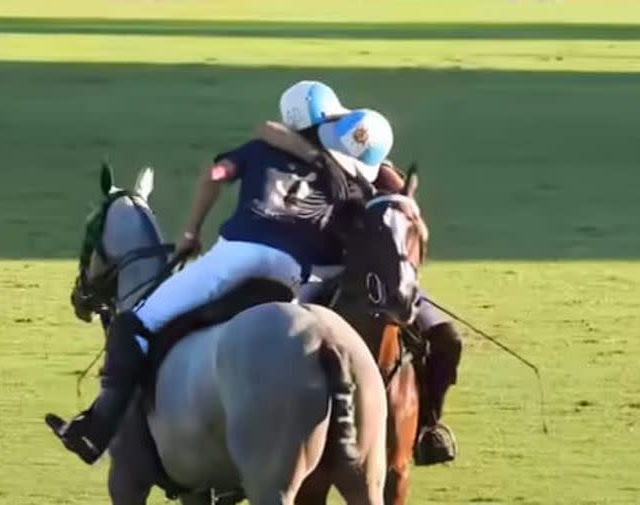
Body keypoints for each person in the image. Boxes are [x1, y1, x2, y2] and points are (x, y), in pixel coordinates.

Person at [45, 106, 396, 465]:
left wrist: (190, 233)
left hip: (238, 255)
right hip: (295, 272)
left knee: (136, 320)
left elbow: (215, 174)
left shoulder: (263, 148)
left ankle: (96, 429)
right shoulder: (346, 179)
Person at [275, 80, 463, 466]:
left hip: (387, 278)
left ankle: (427, 426)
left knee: (447, 339)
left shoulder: (368, 156)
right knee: (278, 344)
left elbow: (406, 212)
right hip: (320, 273)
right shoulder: (297, 169)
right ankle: (265, 442)